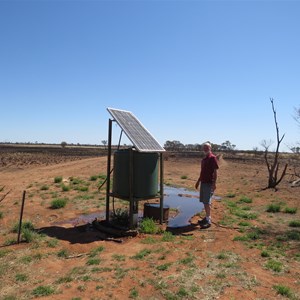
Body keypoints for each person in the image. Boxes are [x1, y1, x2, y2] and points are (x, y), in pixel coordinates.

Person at [195, 142, 219, 229]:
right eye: (204, 147)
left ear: (210, 148)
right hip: (203, 183)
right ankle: (206, 217)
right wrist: (198, 181)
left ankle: (208, 220)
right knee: (205, 202)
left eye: (207, 147)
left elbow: (215, 172)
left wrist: (214, 183)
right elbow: (202, 172)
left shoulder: (213, 158)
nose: (205, 149)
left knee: (207, 202)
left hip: (209, 183)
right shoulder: (204, 159)